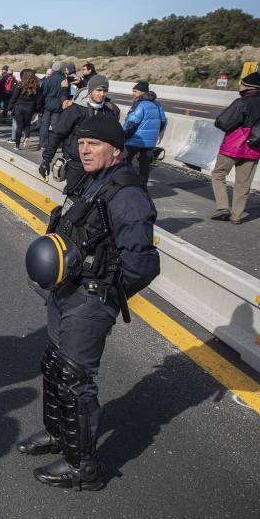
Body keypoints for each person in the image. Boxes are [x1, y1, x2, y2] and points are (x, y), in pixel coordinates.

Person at [19, 116, 159, 491]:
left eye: (95, 144)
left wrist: (105, 298)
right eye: (83, 143)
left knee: (74, 380)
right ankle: (58, 434)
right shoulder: (89, 179)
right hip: (64, 291)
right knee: (53, 366)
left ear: (116, 150)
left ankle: (84, 467)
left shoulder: (128, 195)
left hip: (91, 299)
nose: (85, 149)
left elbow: (142, 265)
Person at [210, 71, 260, 224]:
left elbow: (223, 122)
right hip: (255, 149)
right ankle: (236, 216)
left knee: (218, 174)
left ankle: (223, 207)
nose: (239, 86)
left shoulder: (241, 103)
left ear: (246, 87)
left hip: (234, 146)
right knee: (243, 183)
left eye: (241, 84)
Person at [39, 75, 121, 192]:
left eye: (105, 91)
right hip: (76, 164)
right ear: (90, 90)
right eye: (99, 90)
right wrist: (46, 160)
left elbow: (115, 139)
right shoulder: (74, 111)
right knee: (73, 196)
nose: (102, 94)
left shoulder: (109, 113)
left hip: (100, 165)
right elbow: (57, 135)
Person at [122, 81, 167, 185]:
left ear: (142, 92)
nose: (132, 93)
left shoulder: (140, 104)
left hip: (136, 140)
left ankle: (129, 181)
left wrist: (124, 136)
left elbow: (132, 123)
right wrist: (154, 134)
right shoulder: (157, 104)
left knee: (123, 159)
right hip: (150, 141)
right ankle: (142, 185)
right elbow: (163, 121)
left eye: (135, 91)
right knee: (144, 163)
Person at [8, 69, 43, 149]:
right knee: (27, 125)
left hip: (19, 107)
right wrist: (37, 110)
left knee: (19, 126)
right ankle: (27, 137)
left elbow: (14, 97)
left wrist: (10, 107)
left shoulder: (20, 85)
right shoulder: (37, 87)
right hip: (30, 108)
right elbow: (39, 100)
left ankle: (17, 145)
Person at [39, 61, 67, 149]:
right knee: (55, 125)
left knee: (45, 124)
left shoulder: (48, 80)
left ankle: (44, 143)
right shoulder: (64, 79)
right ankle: (54, 143)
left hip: (48, 104)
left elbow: (43, 93)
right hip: (59, 104)